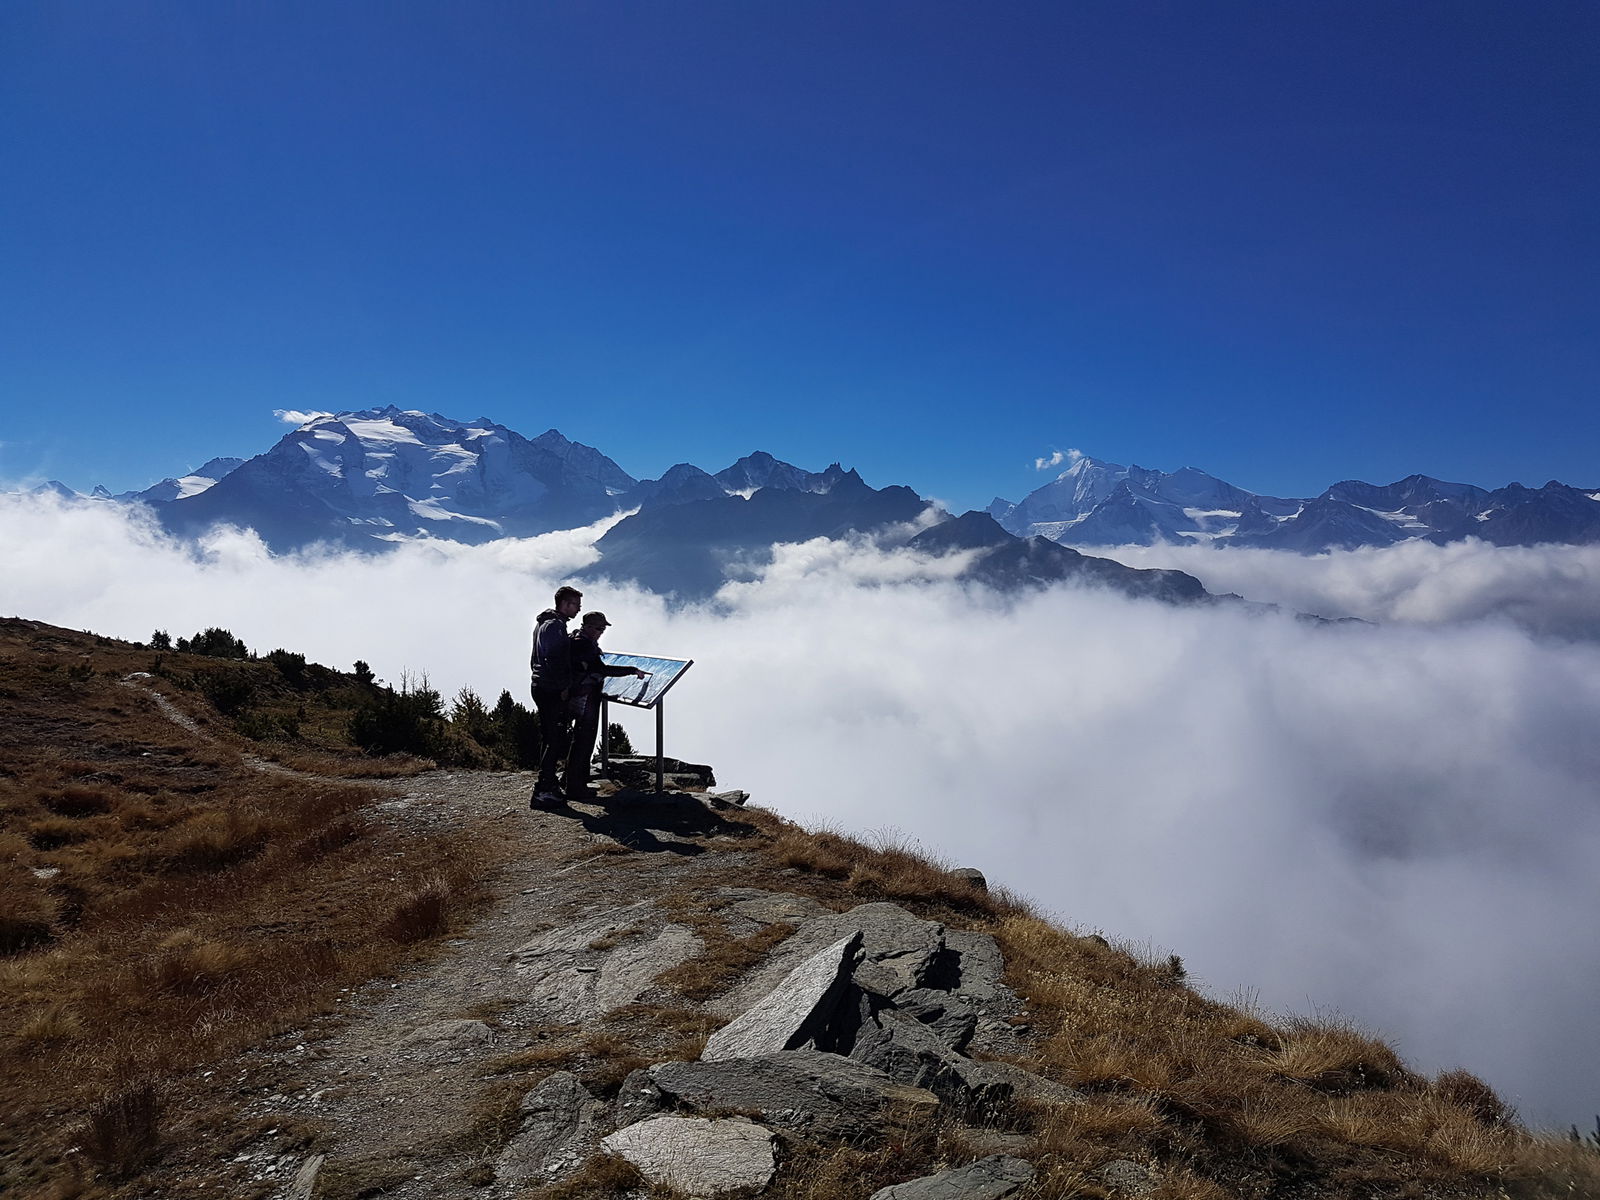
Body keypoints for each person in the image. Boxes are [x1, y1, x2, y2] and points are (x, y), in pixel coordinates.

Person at [563, 611, 648, 800]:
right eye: (600, 628)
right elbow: (602, 669)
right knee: (583, 743)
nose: (602, 632)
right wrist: (631, 670)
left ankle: (569, 781)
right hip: (585, 698)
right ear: (590, 627)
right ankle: (576, 788)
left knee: (578, 741)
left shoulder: (576, 638)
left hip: (576, 696)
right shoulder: (584, 645)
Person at [529, 585, 583, 807]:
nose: (578, 610)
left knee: (551, 737)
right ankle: (543, 790)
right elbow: (553, 658)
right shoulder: (554, 626)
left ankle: (547, 783)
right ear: (565, 604)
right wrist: (563, 686)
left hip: (541, 685)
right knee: (555, 740)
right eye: (576, 605)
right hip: (550, 688)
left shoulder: (545, 623)